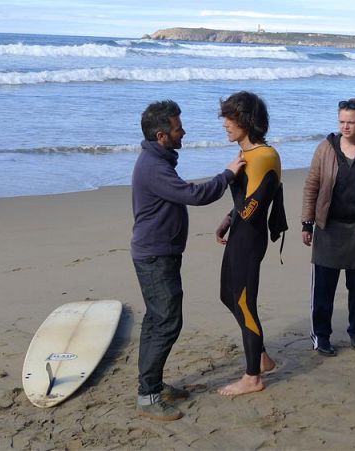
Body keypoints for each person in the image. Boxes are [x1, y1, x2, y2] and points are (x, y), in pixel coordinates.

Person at [131, 100, 246, 421]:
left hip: (159, 252)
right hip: (154, 255)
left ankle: (153, 384)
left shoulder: (158, 159)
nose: (184, 132)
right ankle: (148, 396)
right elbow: (196, 196)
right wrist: (228, 175)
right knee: (166, 322)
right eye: (178, 129)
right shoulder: (154, 166)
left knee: (157, 320)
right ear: (161, 136)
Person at [301, 98, 355, 357]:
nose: (345, 127)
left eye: (351, 122)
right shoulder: (325, 148)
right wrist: (307, 223)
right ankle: (321, 337)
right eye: (342, 121)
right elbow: (311, 185)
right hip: (328, 229)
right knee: (323, 290)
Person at [214, 91, 287, 396]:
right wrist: (228, 218)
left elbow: (252, 208)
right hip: (240, 234)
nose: (225, 124)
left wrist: (227, 176)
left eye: (230, 118)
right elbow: (244, 203)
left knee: (244, 303)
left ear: (246, 120)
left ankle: (253, 377)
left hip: (250, 239)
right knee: (227, 296)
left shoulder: (264, 157)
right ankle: (262, 356)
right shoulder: (248, 155)